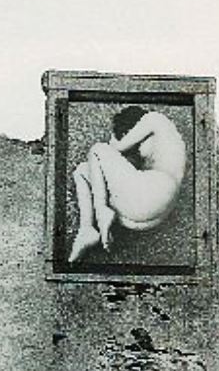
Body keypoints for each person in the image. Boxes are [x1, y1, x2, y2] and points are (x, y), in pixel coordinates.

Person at [68, 106, 187, 263]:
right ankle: (86, 229)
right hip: (148, 216)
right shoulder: (165, 144)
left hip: (157, 192)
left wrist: (115, 138)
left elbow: (115, 147)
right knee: (82, 171)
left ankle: (102, 211)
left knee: (98, 149)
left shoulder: (155, 119)